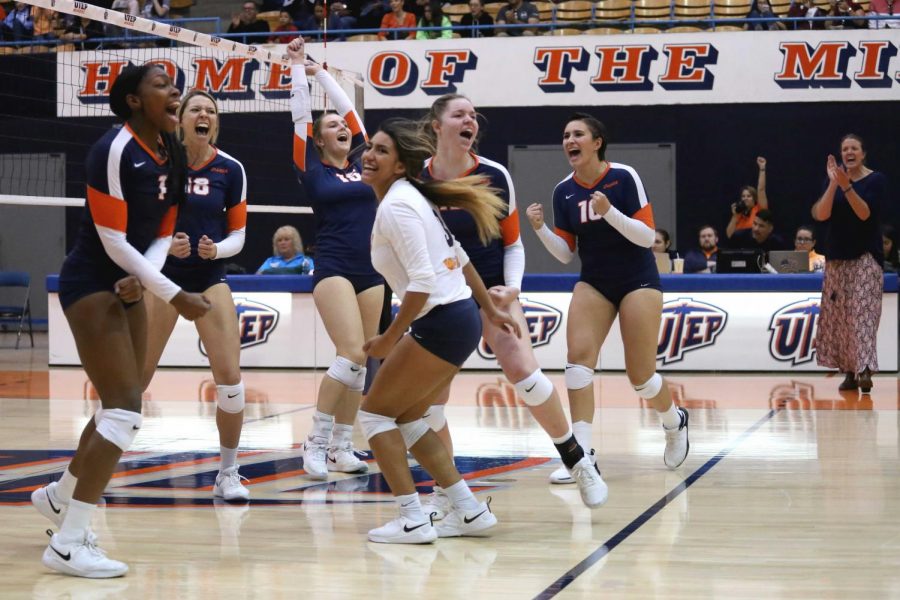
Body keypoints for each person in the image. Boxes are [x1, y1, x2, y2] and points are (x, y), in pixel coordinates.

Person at [30, 64, 210, 578]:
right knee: (126, 412)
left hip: (129, 282)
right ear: (133, 100)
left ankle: (60, 495)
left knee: (118, 405)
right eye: (161, 85)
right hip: (90, 282)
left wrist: (147, 275)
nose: (174, 91)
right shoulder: (113, 149)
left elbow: (164, 229)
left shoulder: (170, 152)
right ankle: (67, 544)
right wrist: (174, 293)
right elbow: (111, 239)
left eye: (175, 84)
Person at [419, 94, 607, 515]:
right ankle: (447, 493)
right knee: (430, 403)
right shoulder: (417, 180)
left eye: (473, 115)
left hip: (490, 288)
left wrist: (512, 289)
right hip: (442, 295)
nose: (470, 120)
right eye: (459, 114)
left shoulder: (495, 174)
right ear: (436, 125)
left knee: (524, 370)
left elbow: (513, 243)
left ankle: (578, 462)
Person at [358, 116, 520, 543]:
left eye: (380, 150)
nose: (368, 155)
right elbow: (461, 255)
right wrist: (488, 309)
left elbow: (423, 282)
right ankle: (468, 511)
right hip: (458, 317)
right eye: (369, 147)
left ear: (398, 165)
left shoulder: (398, 205)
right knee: (410, 416)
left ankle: (412, 518)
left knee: (374, 414)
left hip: (443, 319)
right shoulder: (410, 196)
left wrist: (388, 339)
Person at [525, 113, 690, 491]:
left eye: (578, 134)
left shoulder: (624, 177)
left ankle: (673, 421)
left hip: (638, 279)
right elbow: (567, 254)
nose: (569, 140)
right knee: (577, 364)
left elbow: (648, 236)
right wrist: (540, 230)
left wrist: (609, 212)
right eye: (565, 134)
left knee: (641, 376)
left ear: (597, 142)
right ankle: (580, 456)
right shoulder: (563, 190)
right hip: (595, 281)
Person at [140, 89, 251, 502]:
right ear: (181, 119)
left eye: (211, 111)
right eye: (196, 109)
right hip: (164, 279)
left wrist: (215, 250)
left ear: (215, 123)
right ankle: (99, 465)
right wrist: (166, 246)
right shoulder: (157, 163)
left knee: (231, 382)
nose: (204, 115)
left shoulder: (231, 169)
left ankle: (228, 473)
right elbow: (137, 227)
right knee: (137, 378)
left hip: (209, 278)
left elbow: (239, 235)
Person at [288, 38, 383, 480]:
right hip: (333, 268)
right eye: (330, 125)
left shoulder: (366, 162)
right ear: (319, 138)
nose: (340, 127)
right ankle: (316, 441)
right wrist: (296, 70)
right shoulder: (311, 168)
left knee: (363, 358)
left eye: (339, 124)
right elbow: (299, 118)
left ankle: (343, 446)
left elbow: (354, 117)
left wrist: (323, 71)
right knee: (348, 354)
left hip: (373, 271)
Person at [812, 134, 887, 393]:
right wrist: (834, 184)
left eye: (854, 148)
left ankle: (864, 368)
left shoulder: (875, 180)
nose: (849, 152)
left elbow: (865, 213)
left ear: (863, 153)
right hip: (836, 257)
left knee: (862, 312)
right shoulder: (834, 180)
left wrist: (847, 187)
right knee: (841, 317)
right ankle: (850, 372)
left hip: (866, 255)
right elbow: (821, 214)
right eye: (845, 149)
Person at [726, 157, 769, 240]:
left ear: (754, 198)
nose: (745, 198)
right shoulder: (738, 215)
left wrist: (762, 169)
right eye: (743, 196)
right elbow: (729, 235)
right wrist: (735, 216)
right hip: (741, 249)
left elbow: (761, 189)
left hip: (757, 247)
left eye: (749, 196)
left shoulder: (760, 210)